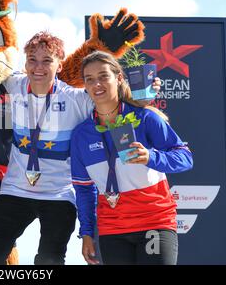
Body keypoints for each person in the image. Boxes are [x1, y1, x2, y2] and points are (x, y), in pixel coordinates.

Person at [0, 32, 161, 265]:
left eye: (47, 60)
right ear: (25, 62)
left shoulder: (76, 99)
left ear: (60, 64)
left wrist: (144, 93)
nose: (38, 67)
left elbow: (112, 99)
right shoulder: (14, 83)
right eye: (32, 59)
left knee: (49, 260)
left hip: (59, 194)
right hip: (15, 191)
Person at [70, 50, 193, 265]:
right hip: (112, 228)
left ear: (118, 78)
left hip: (154, 221)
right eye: (90, 79)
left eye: (103, 76)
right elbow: (84, 188)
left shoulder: (145, 118)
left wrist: (151, 157)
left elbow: (185, 158)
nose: (97, 84)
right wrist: (87, 232)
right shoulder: (82, 134)